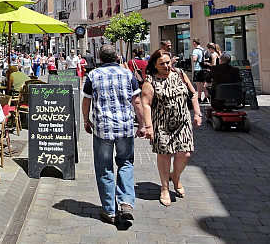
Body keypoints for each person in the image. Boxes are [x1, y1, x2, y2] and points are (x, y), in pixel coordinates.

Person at [82, 45, 145, 224]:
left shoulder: (93, 76)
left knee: (104, 167)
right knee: (125, 163)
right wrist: (142, 125)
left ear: (100, 59)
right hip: (125, 127)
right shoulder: (128, 74)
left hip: (103, 128)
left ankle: (109, 210)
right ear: (117, 57)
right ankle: (126, 202)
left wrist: (86, 121)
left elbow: (86, 101)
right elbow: (137, 101)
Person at [141, 50, 202, 207]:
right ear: (154, 64)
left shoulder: (180, 74)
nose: (166, 66)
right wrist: (148, 126)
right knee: (165, 154)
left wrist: (197, 113)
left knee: (186, 154)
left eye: (168, 62)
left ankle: (175, 176)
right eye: (162, 63)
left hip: (183, 122)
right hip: (162, 124)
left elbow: (193, 94)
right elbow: (146, 104)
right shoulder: (150, 80)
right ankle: (165, 188)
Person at [191, 38, 208, 103]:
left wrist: (193, 57)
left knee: (198, 84)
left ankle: (199, 97)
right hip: (204, 68)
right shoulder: (202, 49)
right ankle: (206, 97)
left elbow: (195, 59)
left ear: (194, 43)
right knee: (204, 84)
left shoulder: (195, 50)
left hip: (198, 68)